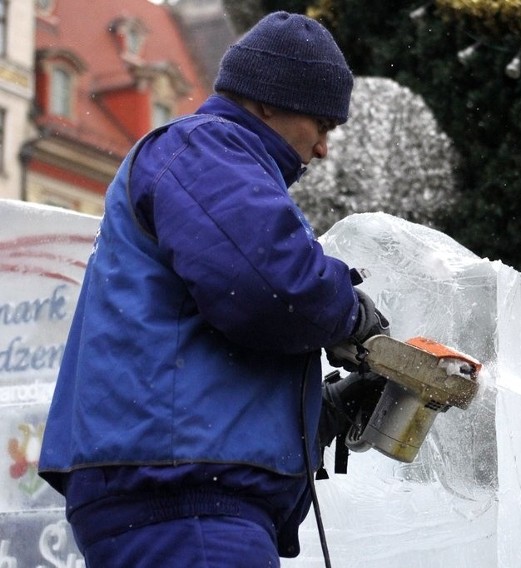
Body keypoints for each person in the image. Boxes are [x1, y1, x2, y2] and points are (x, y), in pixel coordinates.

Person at [38, 11, 387, 567]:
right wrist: (350, 312)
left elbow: (198, 362)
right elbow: (274, 287)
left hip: (175, 487)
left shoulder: (208, 163)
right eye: (322, 125)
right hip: (183, 497)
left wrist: (320, 415)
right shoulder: (207, 149)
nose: (323, 148)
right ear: (267, 101)